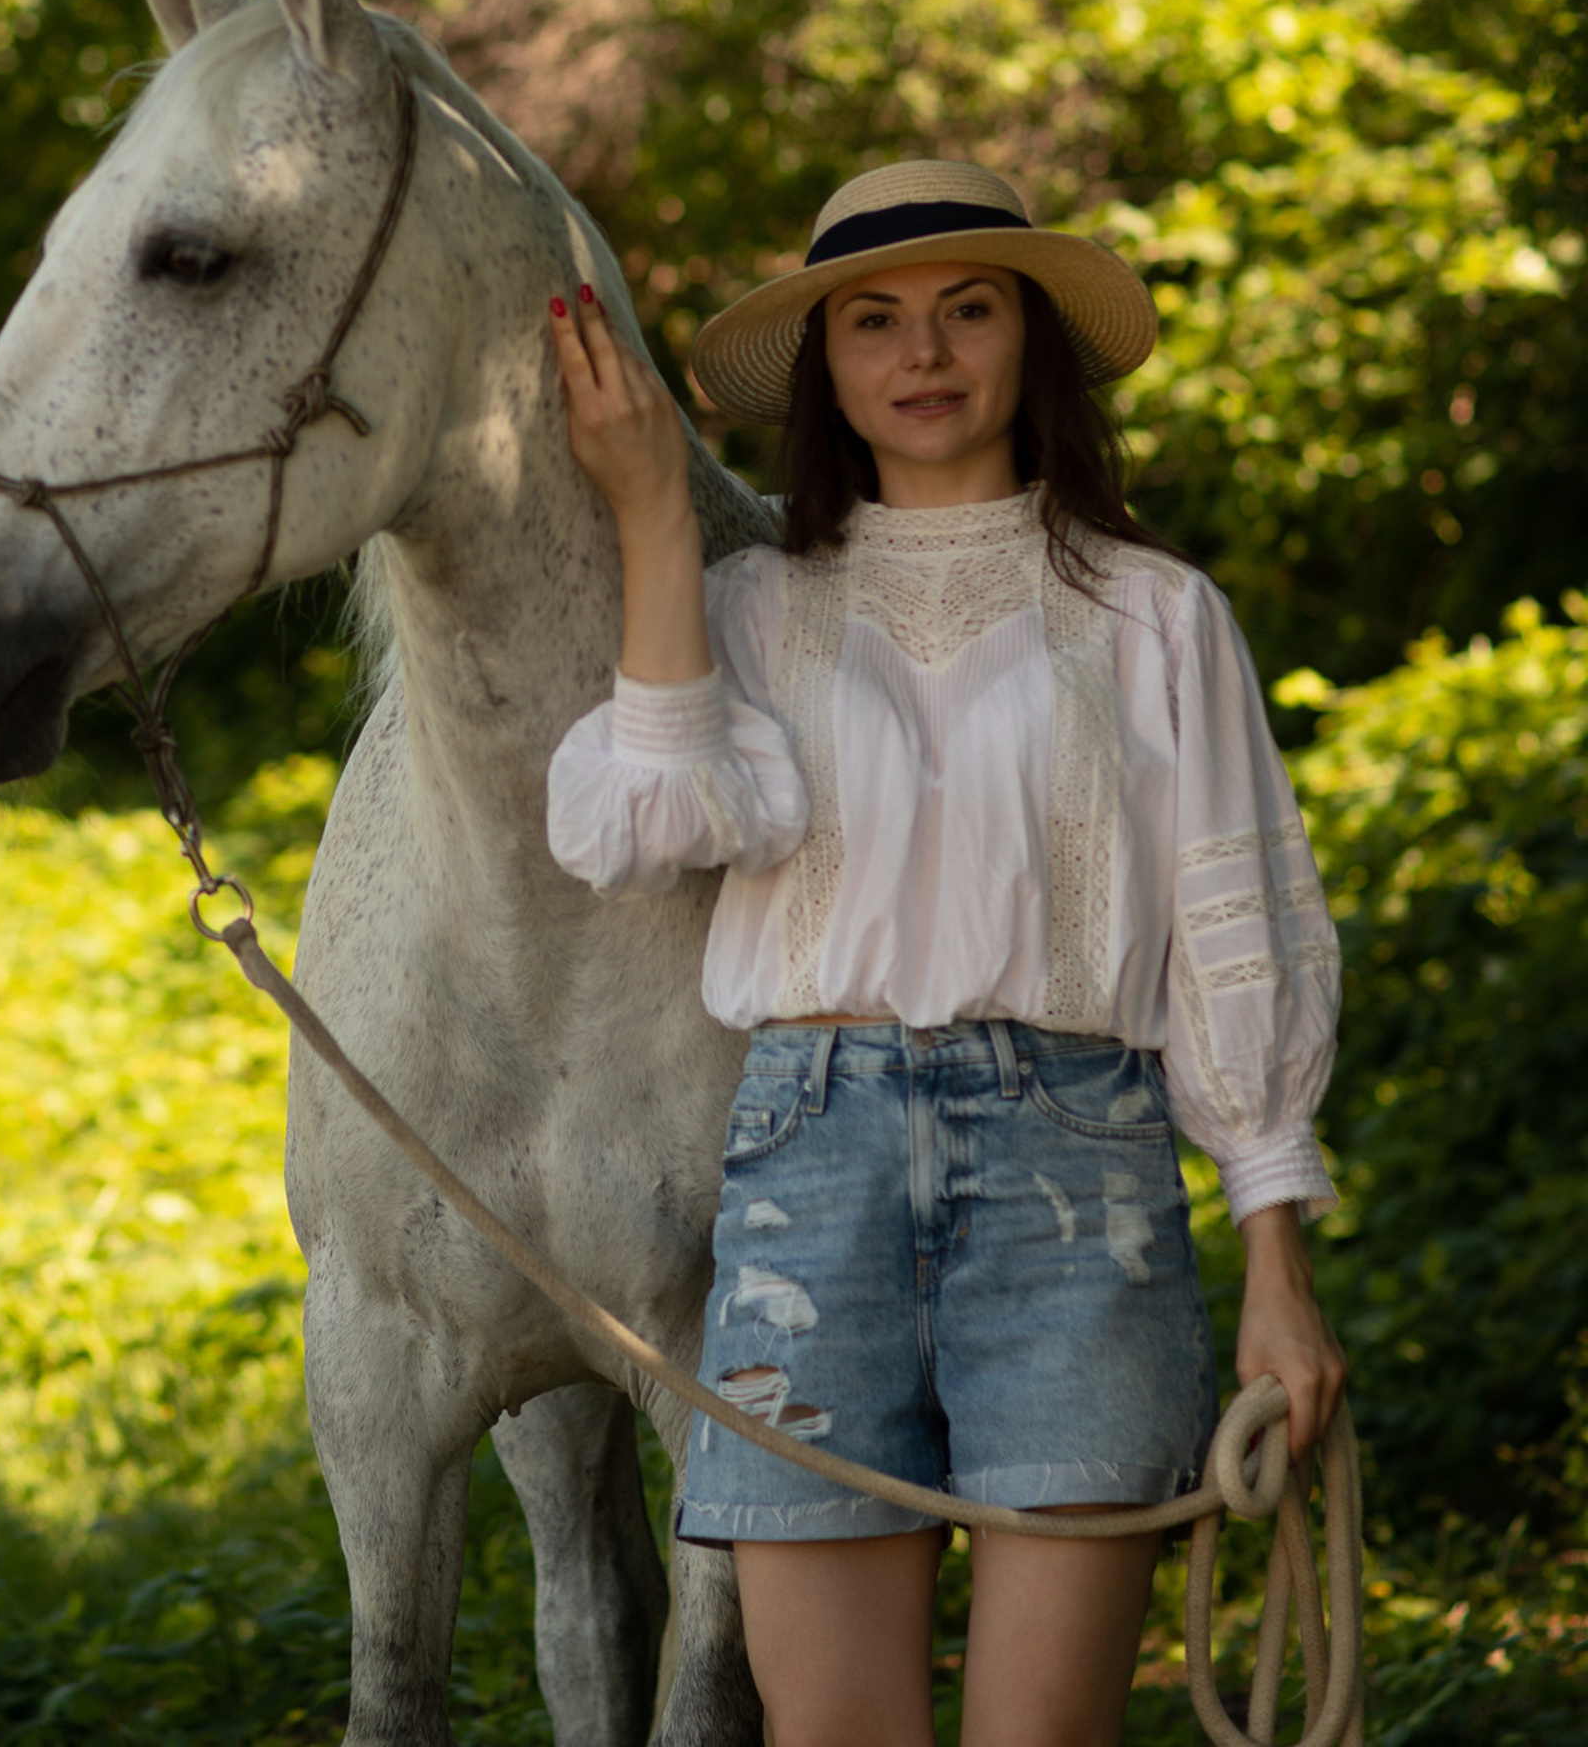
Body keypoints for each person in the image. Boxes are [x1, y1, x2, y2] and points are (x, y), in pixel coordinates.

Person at [543, 158, 1348, 1747]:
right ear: (829, 370)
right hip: (809, 1168)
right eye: (875, 322)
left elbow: (1234, 932)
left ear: (1029, 343)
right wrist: (647, 508)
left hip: (1081, 1180)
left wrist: (1276, 1262)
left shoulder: (1155, 616)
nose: (924, 355)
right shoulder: (754, 607)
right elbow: (644, 819)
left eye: (969, 311)